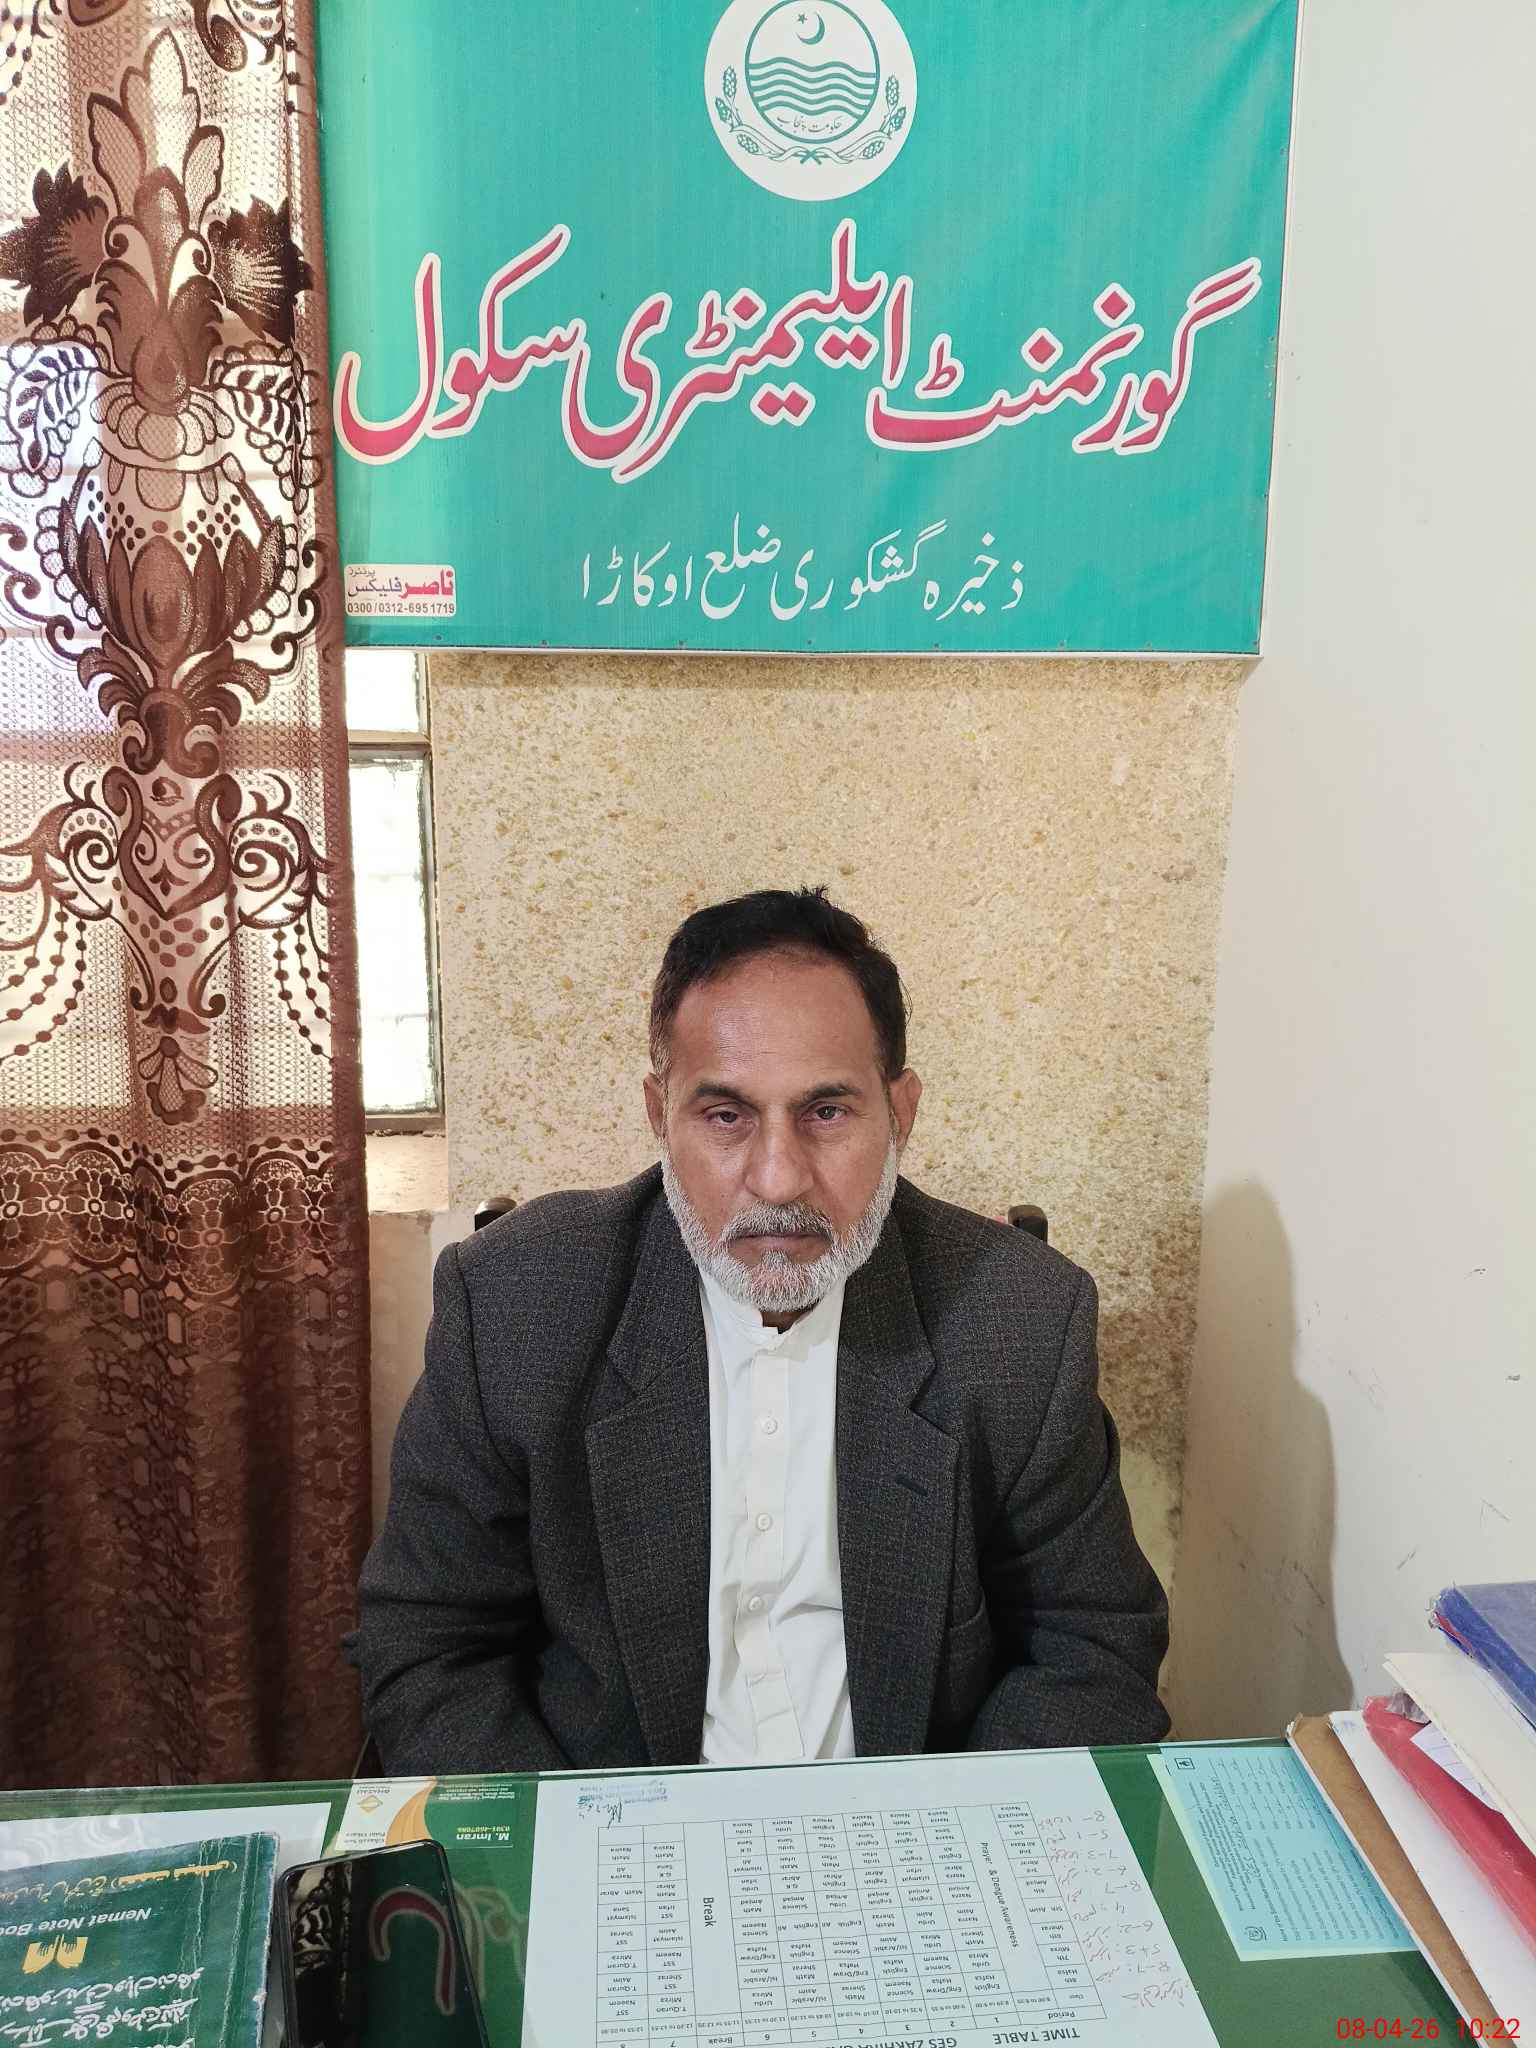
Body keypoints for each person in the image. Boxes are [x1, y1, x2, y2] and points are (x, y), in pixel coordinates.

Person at [353, 888, 1169, 1770]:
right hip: (616, 1812)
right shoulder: (517, 1305)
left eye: (827, 1113)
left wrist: (941, 1831)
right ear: (659, 1113)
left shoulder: (1021, 1320)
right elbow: (428, 1645)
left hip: (908, 1816)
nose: (778, 1180)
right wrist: (578, 1837)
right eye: (725, 1116)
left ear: (900, 1113)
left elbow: (1095, 1650)